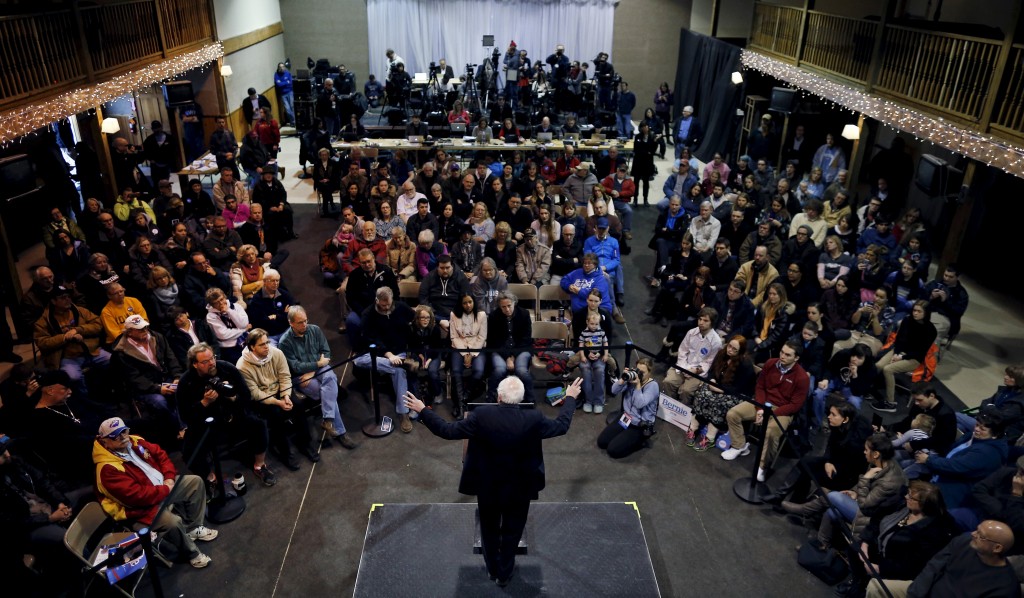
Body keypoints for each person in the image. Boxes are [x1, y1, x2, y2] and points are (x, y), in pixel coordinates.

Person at [404, 372, 581, 587]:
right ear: (521, 400)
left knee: (489, 529)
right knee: (513, 530)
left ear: (498, 397)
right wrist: (570, 397)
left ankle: (492, 569)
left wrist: (423, 410)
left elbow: (447, 431)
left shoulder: (481, 416)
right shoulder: (534, 418)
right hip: (520, 488)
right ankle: (504, 574)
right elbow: (561, 426)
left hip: (489, 487)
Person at [92, 417, 217, 569]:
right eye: (115, 436)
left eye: (124, 431)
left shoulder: (135, 440)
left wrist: (170, 479)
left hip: (163, 488)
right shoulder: (106, 470)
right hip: (138, 511)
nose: (123, 437)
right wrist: (166, 489)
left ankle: (193, 528)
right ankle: (191, 554)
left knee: (195, 482)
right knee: (173, 522)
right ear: (104, 440)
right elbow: (136, 497)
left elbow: (161, 456)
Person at [175, 343, 276, 487]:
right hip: (206, 423)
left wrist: (233, 397)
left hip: (232, 414)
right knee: (189, 451)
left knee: (258, 424)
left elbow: (246, 396)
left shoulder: (226, 368)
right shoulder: (186, 382)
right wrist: (204, 402)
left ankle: (260, 465)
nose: (211, 363)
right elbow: (185, 416)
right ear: (195, 364)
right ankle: (210, 479)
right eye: (205, 361)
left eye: (212, 358)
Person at [722, 340, 810, 482]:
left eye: (788, 355)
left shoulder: (802, 378)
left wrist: (770, 413)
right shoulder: (770, 363)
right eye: (782, 352)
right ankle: (739, 446)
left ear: (796, 358)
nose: (782, 356)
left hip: (783, 410)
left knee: (771, 432)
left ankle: (763, 466)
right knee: (733, 414)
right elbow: (760, 387)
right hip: (763, 404)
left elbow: (795, 405)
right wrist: (760, 408)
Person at [865, 520, 1019, 598]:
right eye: (976, 530)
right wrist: (916, 594)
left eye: (980, 535)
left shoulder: (1005, 587)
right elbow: (933, 566)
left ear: (997, 548)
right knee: (875, 587)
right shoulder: (964, 542)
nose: (973, 534)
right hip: (926, 591)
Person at [236, 329, 319, 470]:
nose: (267, 346)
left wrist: (286, 396)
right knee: (275, 416)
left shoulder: (276, 353)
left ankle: (304, 443)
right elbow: (255, 393)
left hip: (281, 390)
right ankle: (286, 452)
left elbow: (285, 376)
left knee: (298, 406)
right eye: (262, 344)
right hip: (263, 398)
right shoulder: (242, 366)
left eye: (267, 342)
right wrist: (278, 402)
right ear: (252, 347)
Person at [355, 287, 415, 431]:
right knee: (358, 361)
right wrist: (389, 356)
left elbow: (414, 318)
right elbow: (370, 338)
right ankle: (402, 365)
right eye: (383, 305)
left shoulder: (400, 307)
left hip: (399, 351)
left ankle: (403, 413)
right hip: (378, 353)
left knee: (399, 373)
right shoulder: (368, 315)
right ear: (377, 301)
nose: (387, 307)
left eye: (388, 304)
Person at [872, 300, 937, 413]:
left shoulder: (931, 330)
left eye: (919, 311)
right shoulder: (907, 320)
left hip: (914, 358)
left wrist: (901, 358)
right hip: (899, 351)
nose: (915, 313)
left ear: (926, 313)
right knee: (878, 365)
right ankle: (872, 388)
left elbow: (920, 352)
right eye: (914, 310)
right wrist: (897, 353)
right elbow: (899, 340)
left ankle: (890, 403)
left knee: (888, 369)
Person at [598, 358, 659, 459]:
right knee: (602, 442)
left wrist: (638, 385)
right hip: (626, 418)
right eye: (637, 370)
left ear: (650, 372)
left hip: (639, 425)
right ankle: (625, 436)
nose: (639, 374)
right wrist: (623, 379)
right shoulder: (632, 379)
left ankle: (640, 441)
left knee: (613, 451)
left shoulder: (653, 386)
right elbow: (613, 391)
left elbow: (639, 404)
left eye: (642, 372)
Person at [662, 308, 722, 403]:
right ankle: (668, 405)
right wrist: (684, 367)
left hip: (698, 372)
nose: (701, 322)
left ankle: (681, 413)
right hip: (683, 365)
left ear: (712, 323)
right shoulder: (691, 332)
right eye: (700, 319)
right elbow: (682, 351)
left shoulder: (716, 342)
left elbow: (708, 363)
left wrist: (694, 370)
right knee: (668, 381)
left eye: (705, 320)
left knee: (686, 391)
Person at [923, 264, 969, 343]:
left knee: (933, 335)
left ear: (957, 277)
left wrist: (946, 301)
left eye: (950, 277)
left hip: (945, 318)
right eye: (945, 275)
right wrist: (930, 296)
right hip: (928, 312)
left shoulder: (961, 293)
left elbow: (959, 311)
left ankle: (930, 354)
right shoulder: (935, 283)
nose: (946, 278)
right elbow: (921, 295)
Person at [577, 312, 609, 413]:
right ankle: (588, 401)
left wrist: (604, 354)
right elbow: (581, 345)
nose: (594, 326)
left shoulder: (602, 332)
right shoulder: (583, 333)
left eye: (596, 324)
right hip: (586, 357)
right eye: (592, 324)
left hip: (599, 357)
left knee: (599, 370)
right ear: (587, 322)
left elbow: (606, 343)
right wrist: (583, 355)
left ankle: (599, 401)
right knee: (586, 371)